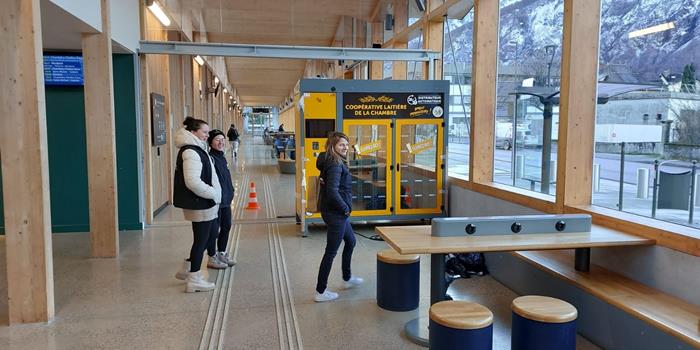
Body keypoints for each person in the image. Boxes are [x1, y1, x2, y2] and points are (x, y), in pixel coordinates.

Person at [173, 117, 222, 293]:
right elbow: (192, 182)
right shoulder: (191, 152)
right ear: (193, 132)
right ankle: (194, 277)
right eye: (204, 132)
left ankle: (187, 268)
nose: (207, 136)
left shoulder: (196, 149)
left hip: (204, 202)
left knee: (206, 237)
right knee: (201, 240)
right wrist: (213, 193)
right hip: (201, 203)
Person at [314, 132, 363, 302]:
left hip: (335, 211)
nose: (345, 147)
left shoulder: (333, 161)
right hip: (336, 213)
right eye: (341, 144)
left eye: (346, 144)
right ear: (332, 146)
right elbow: (332, 191)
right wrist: (345, 209)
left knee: (351, 241)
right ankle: (320, 291)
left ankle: (347, 278)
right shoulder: (335, 165)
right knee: (331, 252)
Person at [206, 129, 237, 268]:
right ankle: (212, 256)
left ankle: (222, 253)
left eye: (222, 139)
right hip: (216, 201)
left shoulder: (222, 157)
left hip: (226, 200)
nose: (221, 142)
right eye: (217, 140)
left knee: (226, 226)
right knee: (214, 230)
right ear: (210, 142)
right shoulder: (210, 158)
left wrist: (231, 191)